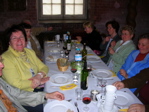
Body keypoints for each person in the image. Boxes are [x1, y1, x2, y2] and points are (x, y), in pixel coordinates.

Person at [0, 56, 64, 112]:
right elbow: (17, 85)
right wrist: (37, 82)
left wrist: (46, 96)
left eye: (0, 61)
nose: (2, 65)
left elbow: (17, 94)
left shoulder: (1, 82)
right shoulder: (7, 58)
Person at [2, 24, 49, 92]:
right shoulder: (6, 58)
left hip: (37, 87)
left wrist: (38, 76)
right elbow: (16, 84)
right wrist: (38, 82)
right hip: (23, 95)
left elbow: (44, 67)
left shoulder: (29, 52)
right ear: (9, 42)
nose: (19, 40)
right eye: (14, 38)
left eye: (21, 37)